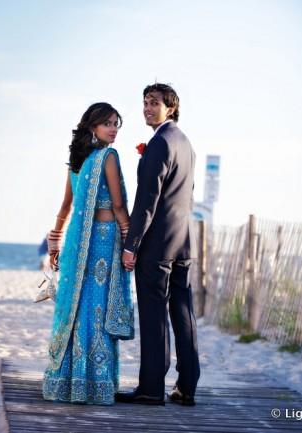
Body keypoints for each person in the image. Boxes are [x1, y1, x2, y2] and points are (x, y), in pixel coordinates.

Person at [42, 102, 134, 405]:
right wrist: (129, 241)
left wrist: (55, 242)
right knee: (97, 308)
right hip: (104, 242)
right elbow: (119, 206)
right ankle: (95, 382)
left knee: (79, 307)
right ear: (92, 126)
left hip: (78, 243)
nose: (113, 129)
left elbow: (65, 209)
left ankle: (70, 380)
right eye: (107, 123)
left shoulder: (77, 162)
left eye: (116, 123)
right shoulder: (108, 157)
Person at [116, 83, 200, 406]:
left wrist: (131, 244)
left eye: (154, 103)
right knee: (183, 312)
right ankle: (187, 386)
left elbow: (147, 201)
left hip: (157, 247)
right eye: (145, 103)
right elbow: (186, 196)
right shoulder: (186, 143)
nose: (147, 108)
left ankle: (152, 388)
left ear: (171, 108)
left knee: (154, 315)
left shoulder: (160, 144)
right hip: (183, 243)